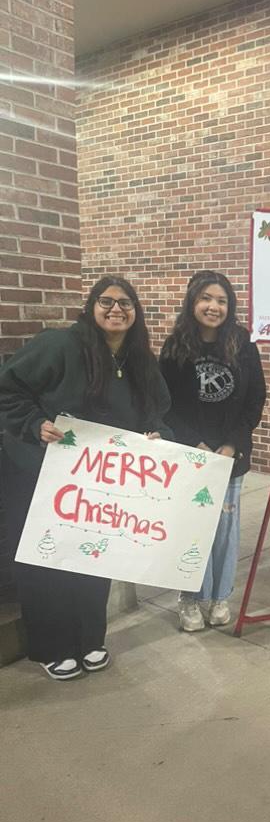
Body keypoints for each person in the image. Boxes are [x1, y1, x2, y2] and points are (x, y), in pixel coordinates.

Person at [0, 276, 172, 680]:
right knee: (47, 559)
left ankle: (90, 639)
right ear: (91, 306)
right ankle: (52, 646)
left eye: (125, 303)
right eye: (106, 301)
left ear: (136, 311)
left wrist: (155, 434)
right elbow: (8, 388)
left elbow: (157, 409)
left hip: (101, 480)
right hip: (41, 472)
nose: (116, 310)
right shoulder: (59, 345)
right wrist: (34, 423)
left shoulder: (140, 360)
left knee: (94, 555)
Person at [160, 270, 266, 632]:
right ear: (193, 302)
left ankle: (220, 596)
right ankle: (189, 598)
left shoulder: (243, 343)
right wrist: (196, 445)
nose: (213, 306)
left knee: (224, 530)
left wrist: (231, 444)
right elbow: (166, 404)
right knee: (191, 528)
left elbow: (255, 399)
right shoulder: (175, 347)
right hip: (189, 456)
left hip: (229, 457)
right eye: (206, 298)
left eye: (221, 300)